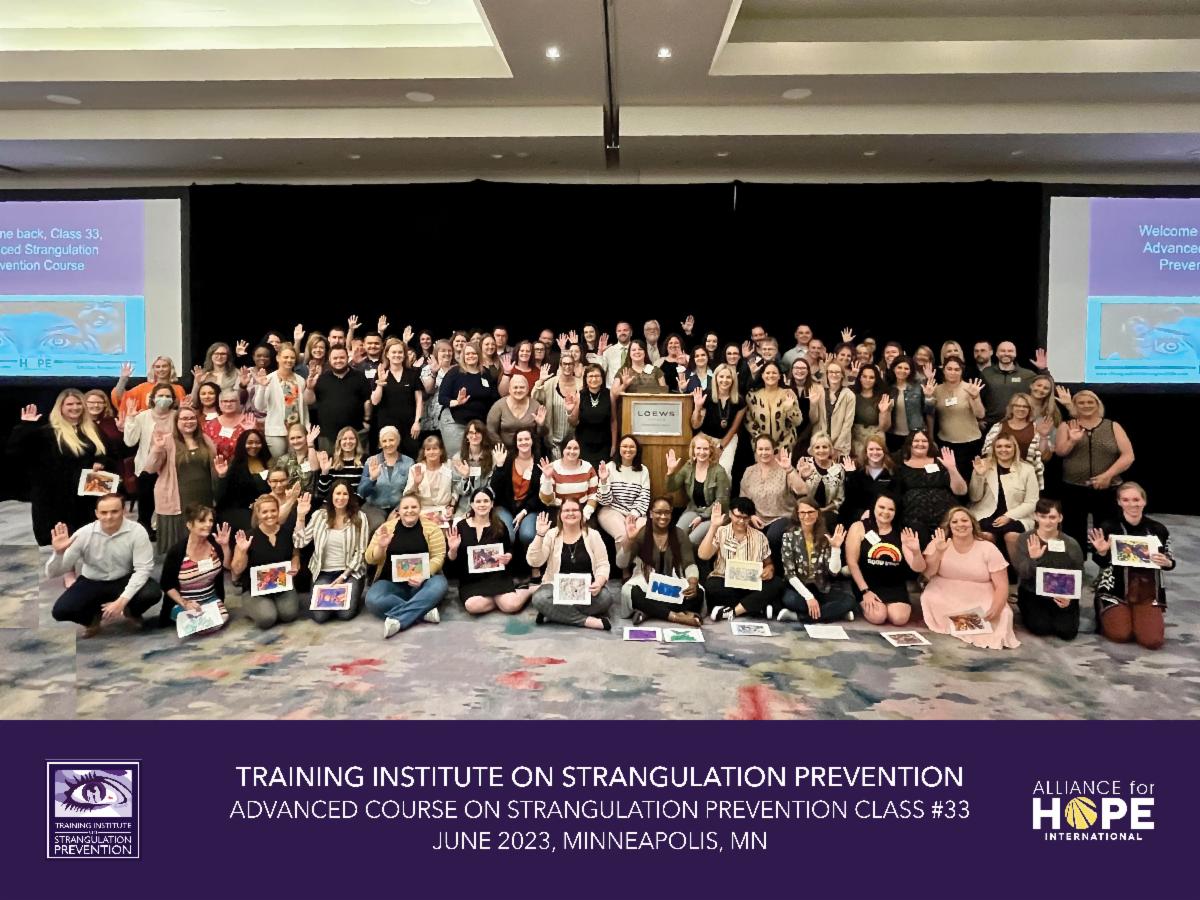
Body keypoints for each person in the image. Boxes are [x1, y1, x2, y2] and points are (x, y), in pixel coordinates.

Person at [45, 494, 163, 637]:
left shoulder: (137, 531)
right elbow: (53, 573)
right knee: (61, 610)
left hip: (124, 578)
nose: (109, 517)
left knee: (152, 593)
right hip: (92, 581)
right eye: (104, 512)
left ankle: (132, 611)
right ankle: (91, 620)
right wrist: (58, 554)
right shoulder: (83, 534)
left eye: (114, 511)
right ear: (96, 514)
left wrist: (122, 602)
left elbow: (143, 569)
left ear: (124, 511)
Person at [9, 390, 109, 546]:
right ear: (60, 407)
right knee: (63, 544)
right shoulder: (47, 432)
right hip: (57, 501)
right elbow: (15, 451)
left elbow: (108, 453)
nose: (75, 407)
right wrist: (26, 426)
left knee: (90, 543)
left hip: (88, 497)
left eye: (78, 403)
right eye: (70, 404)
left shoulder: (93, 430)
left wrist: (100, 461)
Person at [1088, 482, 1175, 650]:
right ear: (1119, 502)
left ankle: (1139, 616)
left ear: (1144, 501)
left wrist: (1167, 562)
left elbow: (1170, 560)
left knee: (1152, 641)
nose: (1132, 504)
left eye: (1136, 500)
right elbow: (1101, 562)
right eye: (1126, 500)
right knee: (1120, 635)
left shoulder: (1158, 529)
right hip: (1115, 590)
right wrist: (1102, 552)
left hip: (1147, 591)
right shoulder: (1109, 527)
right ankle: (1106, 608)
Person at [918, 507, 1020, 650]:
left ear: (972, 523)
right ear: (949, 526)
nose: (960, 524)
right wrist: (939, 552)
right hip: (946, 594)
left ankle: (965, 626)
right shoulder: (938, 543)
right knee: (932, 599)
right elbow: (928, 574)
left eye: (964, 520)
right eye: (955, 522)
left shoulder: (988, 548)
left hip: (981, 595)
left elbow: (1002, 585)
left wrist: (996, 607)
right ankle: (963, 625)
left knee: (1003, 615)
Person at [1055, 390, 1134, 551]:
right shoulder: (1067, 425)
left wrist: (1107, 475)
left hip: (1108, 487)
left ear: (1098, 405)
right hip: (1073, 488)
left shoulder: (1112, 426)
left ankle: (1105, 563)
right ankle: (1077, 563)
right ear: (1074, 406)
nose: (1086, 405)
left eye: (1090, 402)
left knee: (1107, 530)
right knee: (1073, 531)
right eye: (1081, 403)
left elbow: (1128, 456)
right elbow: (1060, 452)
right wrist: (1072, 441)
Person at [365, 494, 449, 638]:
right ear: (399, 510)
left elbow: (438, 557)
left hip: (422, 584)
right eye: (405, 507)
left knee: (440, 584)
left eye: (414, 507)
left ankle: (400, 619)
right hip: (391, 583)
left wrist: (423, 574)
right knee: (372, 599)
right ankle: (423, 611)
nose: (409, 510)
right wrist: (381, 546)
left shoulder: (432, 528)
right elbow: (370, 559)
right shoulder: (386, 528)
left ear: (420, 509)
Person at [527, 498, 616, 630]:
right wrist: (540, 535)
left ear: (581, 514)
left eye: (575, 510)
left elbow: (603, 564)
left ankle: (554, 613)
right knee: (539, 598)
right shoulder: (551, 534)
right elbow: (535, 561)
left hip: (586, 589)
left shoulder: (593, 535)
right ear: (560, 515)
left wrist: (599, 582)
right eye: (566, 510)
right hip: (556, 588)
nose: (571, 513)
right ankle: (587, 621)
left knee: (605, 598)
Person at [144, 406, 225, 551]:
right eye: (184, 419)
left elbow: (214, 467)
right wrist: (157, 448)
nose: (189, 422)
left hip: (204, 496)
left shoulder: (205, 440)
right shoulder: (167, 441)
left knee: (204, 535)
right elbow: (150, 468)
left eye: (192, 418)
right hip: (177, 498)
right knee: (182, 542)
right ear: (177, 422)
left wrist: (220, 475)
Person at [618, 497, 704, 627]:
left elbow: (689, 563)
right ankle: (677, 616)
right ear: (651, 513)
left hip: (673, 584)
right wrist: (629, 540)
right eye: (658, 512)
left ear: (671, 513)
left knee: (698, 593)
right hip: (647, 583)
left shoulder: (679, 534)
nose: (663, 516)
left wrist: (692, 582)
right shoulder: (641, 533)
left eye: (666, 512)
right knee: (629, 591)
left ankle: (649, 611)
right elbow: (621, 563)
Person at [448, 488, 533, 616]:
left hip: (496, 577)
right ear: (472, 505)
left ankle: (529, 590)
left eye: (486, 501)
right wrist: (453, 549)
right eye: (478, 501)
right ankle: (500, 602)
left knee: (512, 606)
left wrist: (508, 556)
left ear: (492, 504)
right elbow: (452, 562)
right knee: (472, 606)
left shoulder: (499, 525)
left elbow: (509, 549)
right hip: (471, 580)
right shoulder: (460, 526)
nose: (482, 504)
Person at [293, 481, 369, 623]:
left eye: (345, 494)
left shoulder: (360, 517)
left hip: (349, 572)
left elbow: (361, 551)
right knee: (320, 617)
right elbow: (299, 543)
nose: (341, 497)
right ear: (331, 496)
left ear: (350, 497)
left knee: (345, 614)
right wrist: (301, 517)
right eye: (337, 493)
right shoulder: (319, 516)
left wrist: (343, 576)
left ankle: (355, 590)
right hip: (323, 573)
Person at [699, 499, 785, 621]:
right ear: (730, 514)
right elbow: (703, 555)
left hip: (751, 585)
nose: (741, 521)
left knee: (777, 583)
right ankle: (757, 607)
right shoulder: (721, 531)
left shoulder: (760, 537)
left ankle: (733, 611)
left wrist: (769, 570)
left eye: (745, 518)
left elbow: (769, 563)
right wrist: (713, 526)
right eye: (738, 516)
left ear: (750, 517)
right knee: (711, 586)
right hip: (725, 582)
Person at [1010, 498, 1084, 641]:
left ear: (1060, 518)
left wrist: (1070, 597)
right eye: (1043, 517)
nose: (1047, 521)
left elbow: (1079, 573)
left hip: (1062, 592)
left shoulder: (1071, 544)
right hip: (1033, 591)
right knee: (1040, 627)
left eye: (1052, 517)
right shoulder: (1024, 539)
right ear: (1036, 516)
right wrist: (1034, 559)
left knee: (1067, 632)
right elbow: (1023, 574)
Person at [846, 494, 923, 627]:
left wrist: (916, 552)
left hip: (894, 584)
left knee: (899, 619)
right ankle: (862, 603)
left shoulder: (902, 531)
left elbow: (918, 568)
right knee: (878, 616)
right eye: (881, 507)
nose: (886, 512)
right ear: (873, 507)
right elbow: (852, 562)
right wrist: (865, 591)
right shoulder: (859, 527)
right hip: (867, 584)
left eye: (891, 509)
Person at [776, 499, 856, 623]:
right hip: (799, 588)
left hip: (820, 588)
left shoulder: (825, 536)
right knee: (792, 601)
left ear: (817, 513)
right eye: (802, 512)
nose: (807, 516)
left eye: (811, 512)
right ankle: (834, 614)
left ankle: (798, 617)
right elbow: (790, 574)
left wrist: (836, 548)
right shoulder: (789, 536)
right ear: (797, 514)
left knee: (849, 601)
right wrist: (809, 597)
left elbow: (834, 572)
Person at [231, 494, 303, 630]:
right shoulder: (247, 537)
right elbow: (237, 569)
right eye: (264, 512)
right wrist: (242, 551)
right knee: (267, 618)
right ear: (258, 514)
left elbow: (295, 553)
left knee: (289, 614)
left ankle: (275, 605)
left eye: (273, 510)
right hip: (255, 590)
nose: (270, 515)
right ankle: (252, 606)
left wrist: (295, 562)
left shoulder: (287, 533)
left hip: (282, 586)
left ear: (278, 511)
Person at [158, 503, 232, 634]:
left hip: (210, 598)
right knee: (197, 625)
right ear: (189, 525)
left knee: (219, 620)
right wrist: (185, 603)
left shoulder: (215, 543)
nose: (208, 524)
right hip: (184, 602)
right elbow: (166, 584)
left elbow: (227, 566)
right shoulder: (177, 551)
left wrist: (225, 546)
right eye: (202, 521)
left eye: (210, 520)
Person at [968, 433, 1040, 557]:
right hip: (986, 514)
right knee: (986, 535)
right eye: (999, 446)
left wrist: (1008, 516)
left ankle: (1018, 568)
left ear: (1015, 448)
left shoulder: (1027, 469)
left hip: (1016, 516)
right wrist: (979, 475)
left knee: (1011, 535)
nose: (1003, 450)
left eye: (1008, 446)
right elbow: (974, 497)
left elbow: (1032, 502)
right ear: (994, 449)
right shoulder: (983, 464)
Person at [891, 430, 968, 544]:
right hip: (914, 520)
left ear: (930, 444)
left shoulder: (941, 462)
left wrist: (952, 468)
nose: (920, 444)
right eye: (916, 441)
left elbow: (961, 491)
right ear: (909, 444)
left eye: (924, 441)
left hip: (945, 517)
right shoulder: (899, 465)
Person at [738, 435, 806, 559]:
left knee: (772, 536)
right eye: (760, 449)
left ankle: (777, 569)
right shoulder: (749, 471)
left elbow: (802, 490)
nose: (764, 453)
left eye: (767, 449)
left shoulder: (784, 469)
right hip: (757, 519)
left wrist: (789, 469)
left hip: (782, 517)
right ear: (756, 450)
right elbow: (743, 500)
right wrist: (751, 516)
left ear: (774, 450)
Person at [666, 436, 731, 547]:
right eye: (698, 448)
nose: (702, 452)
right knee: (677, 535)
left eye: (705, 449)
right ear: (693, 450)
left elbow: (722, 500)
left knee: (692, 540)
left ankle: (693, 558)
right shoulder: (689, 467)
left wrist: (702, 517)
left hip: (714, 514)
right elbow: (671, 487)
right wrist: (670, 471)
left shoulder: (719, 471)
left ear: (711, 451)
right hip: (694, 509)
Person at [439, 341, 499, 460]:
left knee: (478, 458)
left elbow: (494, 397)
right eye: (467, 354)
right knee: (457, 458)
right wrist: (456, 402)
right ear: (463, 356)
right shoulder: (454, 372)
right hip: (455, 421)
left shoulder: (485, 373)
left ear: (479, 355)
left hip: (479, 425)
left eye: (474, 353)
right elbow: (442, 398)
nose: (471, 356)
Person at [491, 427, 546, 557]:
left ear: (532, 441)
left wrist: (525, 511)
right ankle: (505, 563)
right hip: (506, 507)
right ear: (516, 443)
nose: (523, 442)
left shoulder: (540, 462)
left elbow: (540, 493)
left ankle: (532, 563)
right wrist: (499, 466)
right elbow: (495, 488)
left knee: (527, 535)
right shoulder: (507, 460)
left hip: (529, 508)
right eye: (520, 440)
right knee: (508, 535)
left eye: (527, 439)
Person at [251, 342, 309, 458]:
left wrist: (306, 427)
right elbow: (259, 406)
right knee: (279, 463)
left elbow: (304, 407)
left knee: (298, 463)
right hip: (276, 432)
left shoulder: (300, 380)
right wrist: (262, 386)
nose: (289, 360)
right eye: (285, 357)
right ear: (278, 358)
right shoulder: (268, 379)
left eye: (292, 358)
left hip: (297, 432)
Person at [595, 435, 652, 553]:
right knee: (623, 535)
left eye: (632, 447)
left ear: (637, 450)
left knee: (643, 534)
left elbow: (644, 497)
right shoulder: (609, 467)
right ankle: (626, 565)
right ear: (619, 449)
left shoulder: (643, 470)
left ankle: (639, 564)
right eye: (624, 446)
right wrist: (604, 481)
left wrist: (633, 514)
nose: (628, 449)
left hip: (636, 512)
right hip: (611, 510)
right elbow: (605, 501)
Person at [929, 356, 985, 474]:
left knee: (970, 477)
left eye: (956, 369)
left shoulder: (970, 388)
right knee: (949, 477)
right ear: (943, 370)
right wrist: (930, 437)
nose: (953, 372)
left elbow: (980, 414)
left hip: (970, 442)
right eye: (949, 369)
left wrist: (975, 397)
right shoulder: (936, 390)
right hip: (946, 443)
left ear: (961, 371)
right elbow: (931, 415)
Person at [980, 393, 1049, 488]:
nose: (1021, 409)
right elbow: (986, 452)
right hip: (999, 476)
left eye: (1025, 406)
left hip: (1026, 478)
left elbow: (1042, 455)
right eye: (1017, 405)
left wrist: (1043, 436)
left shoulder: (1036, 428)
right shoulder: (998, 426)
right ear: (1011, 408)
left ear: (1030, 409)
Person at [370, 337, 423, 459]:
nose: (397, 355)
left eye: (400, 352)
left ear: (404, 355)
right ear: (387, 354)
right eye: (393, 352)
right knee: (388, 458)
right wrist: (380, 384)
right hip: (387, 425)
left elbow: (419, 401)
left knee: (411, 457)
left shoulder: (412, 374)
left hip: (409, 426)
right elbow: (375, 401)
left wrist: (417, 422)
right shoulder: (381, 373)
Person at [358, 425, 414, 533]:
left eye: (391, 440)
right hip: (374, 507)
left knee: (399, 527)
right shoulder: (371, 461)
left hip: (400, 507)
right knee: (378, 526)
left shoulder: (409, 462)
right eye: (384, 441)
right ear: (380, 444)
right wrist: (372, 479)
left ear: (398, 441)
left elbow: (410, 492)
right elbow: (362, 492)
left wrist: (398, 510)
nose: (388, 444)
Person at [691, 362, 744, 473]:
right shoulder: (706, 395)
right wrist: (697, 408)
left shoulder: (740, 401)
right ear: (715, 378)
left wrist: (721, 447)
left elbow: (734, 428)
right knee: (704, 470)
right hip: (706, 438)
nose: (724, 380)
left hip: (728, 439)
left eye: (728, 377)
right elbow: (695, 425)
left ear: (733, 380)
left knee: (724, 471)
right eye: (721, 376)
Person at [979, 342, 1047, 428]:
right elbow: (978, 396)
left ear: (1015, 354)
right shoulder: (986, 373)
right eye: (1002, 351)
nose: (1006, 353)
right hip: (991, 423)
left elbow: (1047, 387)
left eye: (1010, 351)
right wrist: (979, 419)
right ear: (996, 353)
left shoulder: (1028, 375)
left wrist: (1043, 370)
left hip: (1019, 423)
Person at [215, 429, 271, 534]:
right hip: (241, 512)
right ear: (242, 444)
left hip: (265, 509)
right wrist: (222, 475)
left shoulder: (269, 463)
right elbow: (221, 498)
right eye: (250, 442)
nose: (254, 446)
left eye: (257, 442)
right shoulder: (235, 467)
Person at [744, 361, 803, 456]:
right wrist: (762, 440)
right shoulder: (752, 396)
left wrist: (789, 409)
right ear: (762, 375)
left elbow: (798, 422)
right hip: (761, 448)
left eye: (774, 373)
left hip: (785, 446)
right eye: (767, 373)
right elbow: (748, 421)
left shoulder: (788, 393)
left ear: (779, 376)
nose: (771, 375)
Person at [449, 421, 501, 521]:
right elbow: (456, 490)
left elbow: (494, 487)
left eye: (478, 432)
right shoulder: (458, 458)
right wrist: (465, 477)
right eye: (471, 433)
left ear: (483, 435)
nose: (474, 436)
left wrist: (480, 504)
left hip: (486, 506)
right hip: (464, 507)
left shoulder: (493, 457)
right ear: (466, 436)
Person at [533, 351, 581, 458]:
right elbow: (535, 398)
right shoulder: (551, 383)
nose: (567, 367)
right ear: (560, 366)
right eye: (565, 364)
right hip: (554, 439)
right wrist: (540, 381)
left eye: (570, 364)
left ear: (574, 366)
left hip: (575, 437)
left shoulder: (581, 384)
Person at [538, 437, 599, 522]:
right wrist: (547, 478)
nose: (572, 451)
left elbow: (593, 495)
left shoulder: (588, 467)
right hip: (558, 511)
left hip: (582, 510)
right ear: (562, 450)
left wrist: (585, 515)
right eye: (568, 448)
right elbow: (546, 500)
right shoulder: (551, 468)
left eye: (576, 448)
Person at [839, 433, 895, 525]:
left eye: (878, 449)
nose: (875, 452)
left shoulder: (891, 473)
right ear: (866, 452)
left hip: (883, 519)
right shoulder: (858, 473)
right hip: (859, 520)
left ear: (884, 451)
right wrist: (851, 475)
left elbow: (894, 501)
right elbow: (849, 501)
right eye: (871, 449)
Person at [487, 374, 547, 452]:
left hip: (530, 451)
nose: (518, 390)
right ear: (509, 389)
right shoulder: (499, 406)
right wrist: (502, 449)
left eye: (522, 387)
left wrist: (541, 425)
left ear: (528, 389)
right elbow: (491, 431)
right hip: (504, 451)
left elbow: (542, 434)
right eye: (515, 387)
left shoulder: (535, 406)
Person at [405, 434, 455, 525]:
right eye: (428, 449)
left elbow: (455, 490)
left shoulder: (449, 466)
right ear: (424, 452)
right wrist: (416, 483)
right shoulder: (416, 468)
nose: (431, 452)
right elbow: (407, 496)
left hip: (445, 510)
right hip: (422, 511)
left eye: (435, 448)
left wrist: (451, 506)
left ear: (441, 451)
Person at [575, 363, 616, 468]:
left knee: (602, 473)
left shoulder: (609, 394)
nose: (594, 379)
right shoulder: (580, 395)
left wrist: (614, 445)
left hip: (604, 444)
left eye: (597, 376)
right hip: (584, 443)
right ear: (585, 378)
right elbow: (574, 421)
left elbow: (613, 421)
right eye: (591, 376)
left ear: (602, 378)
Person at [111, 356, 186, 413]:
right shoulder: (143, 388)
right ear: (153, 369)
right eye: (157, 367)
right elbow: (122, 398)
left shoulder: (178, 389)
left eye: (164, 366)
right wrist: (123, 379)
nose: (161, 369)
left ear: (170, 368)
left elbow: (184, 410)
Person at [314, 426, 366, 505]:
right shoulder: (330, 461)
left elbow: (363, 492)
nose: (348, 441)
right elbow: (322, 491)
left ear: (357, 441)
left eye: (351, 438)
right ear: (339, 442)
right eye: (344, 439)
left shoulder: (364, 461)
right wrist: (324, 472)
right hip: (331, 506)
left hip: (354, 505)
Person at [850, 364, 893, 458]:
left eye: (871, 377)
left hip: (876, 438)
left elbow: (884, 428)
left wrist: (883, 412)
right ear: (859, 378)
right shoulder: (851, 394)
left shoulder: (883, 397)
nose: (867, 380)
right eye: (864, 376)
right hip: (856, 439)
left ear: (876, 380)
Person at [202, 389, 257, 463]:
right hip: (216, 466)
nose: (228, 404)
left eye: (232, 401)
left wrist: (251, 432)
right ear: (219, 404)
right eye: (225, 401)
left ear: (239, 403)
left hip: (243, 465)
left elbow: (257, 448)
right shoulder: (209, 425)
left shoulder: (249, 421)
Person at [814, 360, 854, 458]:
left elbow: (847, 424)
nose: (834, 375)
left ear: (842, 375)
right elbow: (815, 420)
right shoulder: (820, 392)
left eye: (837, 372)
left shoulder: (849, 395)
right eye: (831, 372)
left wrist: (837, 447)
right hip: (821, 444)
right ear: (827, 374)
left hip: (841, 445)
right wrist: (812, 404)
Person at [419, 339, 455, 441]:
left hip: (450, 419)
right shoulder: (427, 369)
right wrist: (434, 373)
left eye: (449, 350)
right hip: (431, 419)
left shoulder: (457, 370)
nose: (447, 353)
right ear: (436, 353)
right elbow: (428, 390)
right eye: (443, 350)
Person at [601, 321, 634, 387]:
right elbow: (601, 371)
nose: (622, 333)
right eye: (619, 331)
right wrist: (600, 353)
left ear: (631, 333)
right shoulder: (608, 351)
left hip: (633, 389)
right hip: (612, 389)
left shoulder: (637, 350)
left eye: (625, 330)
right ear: (616, 333)